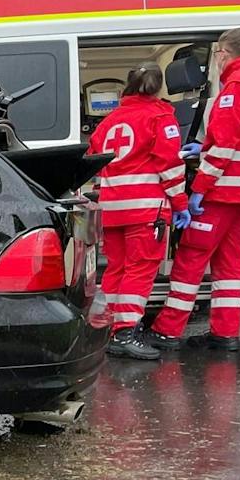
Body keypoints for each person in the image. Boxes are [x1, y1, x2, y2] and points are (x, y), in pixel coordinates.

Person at [147, 28, 240, 351]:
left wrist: (199, 189)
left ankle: (167, 330)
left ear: (224, 52)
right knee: (230, 265)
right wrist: (204, 148)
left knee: (192, 257)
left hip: (224, 191)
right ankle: (225, 334)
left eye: (218, 55)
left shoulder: (237, 86)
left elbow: (224, 145)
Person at [85, 64, 189, 359]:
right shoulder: (160, 117)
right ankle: (126, 332)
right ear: (158, 89)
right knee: (140, 269)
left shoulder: (109, 121)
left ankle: (112, 328)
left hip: (112, 208)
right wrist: (180, 203)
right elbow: (168, 165)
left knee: (117, 268)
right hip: (145, 209)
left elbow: (93, 160)